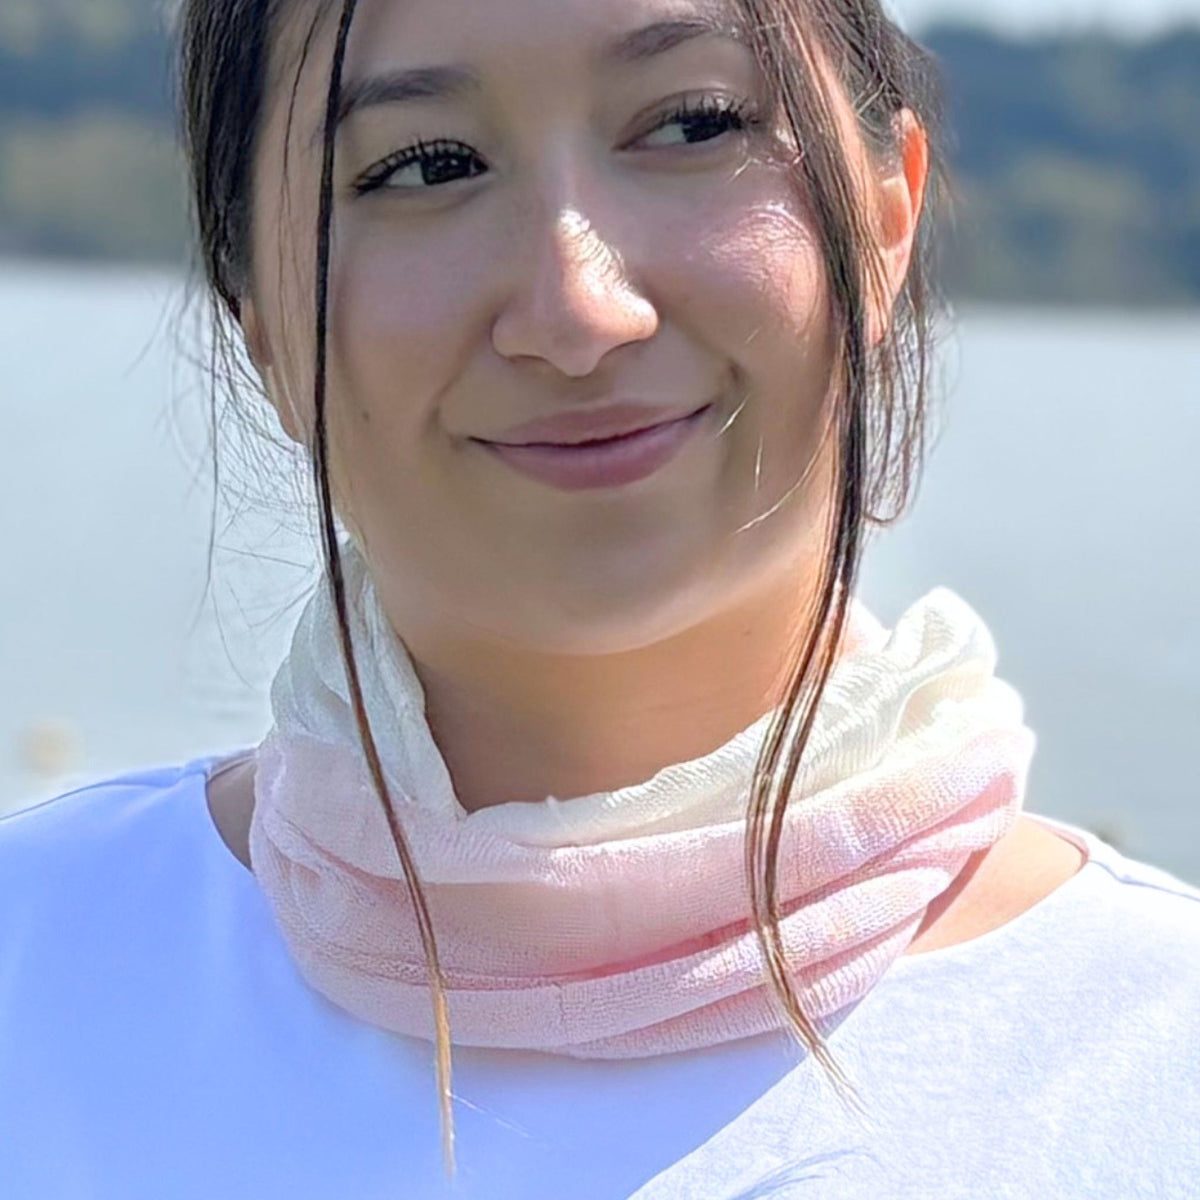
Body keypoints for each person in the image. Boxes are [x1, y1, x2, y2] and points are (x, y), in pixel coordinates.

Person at [2, 0, 1197, 1196]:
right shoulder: (38, 973)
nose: (579, 312)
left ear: (888, 217)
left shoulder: (1156, 1057)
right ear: (257, 322)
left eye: (692, 125)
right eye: (425, 165)